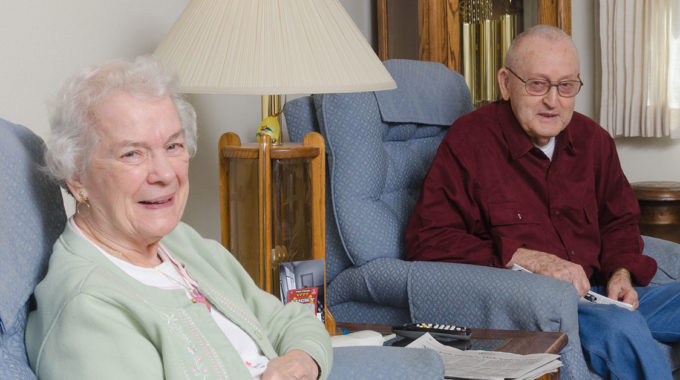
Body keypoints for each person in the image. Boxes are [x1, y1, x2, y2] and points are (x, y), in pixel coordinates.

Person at [25, 55, 331, 380]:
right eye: (133, 153)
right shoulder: (86, 309)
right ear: (77, 176)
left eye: (173, 146)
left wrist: (301, 360)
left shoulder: (182, 242)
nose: (165, 174)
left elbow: (289, 321)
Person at [405, 25, 680, 380]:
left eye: (566, 86)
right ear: (506, 83)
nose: (553, 101)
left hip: (601, 296)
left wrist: (621, 273)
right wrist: (530, 259)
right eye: (538, 84)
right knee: (619, 328)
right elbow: (427, 239)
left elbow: (619, 221)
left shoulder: (594, 140)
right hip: (540, 307)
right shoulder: (469, 142)